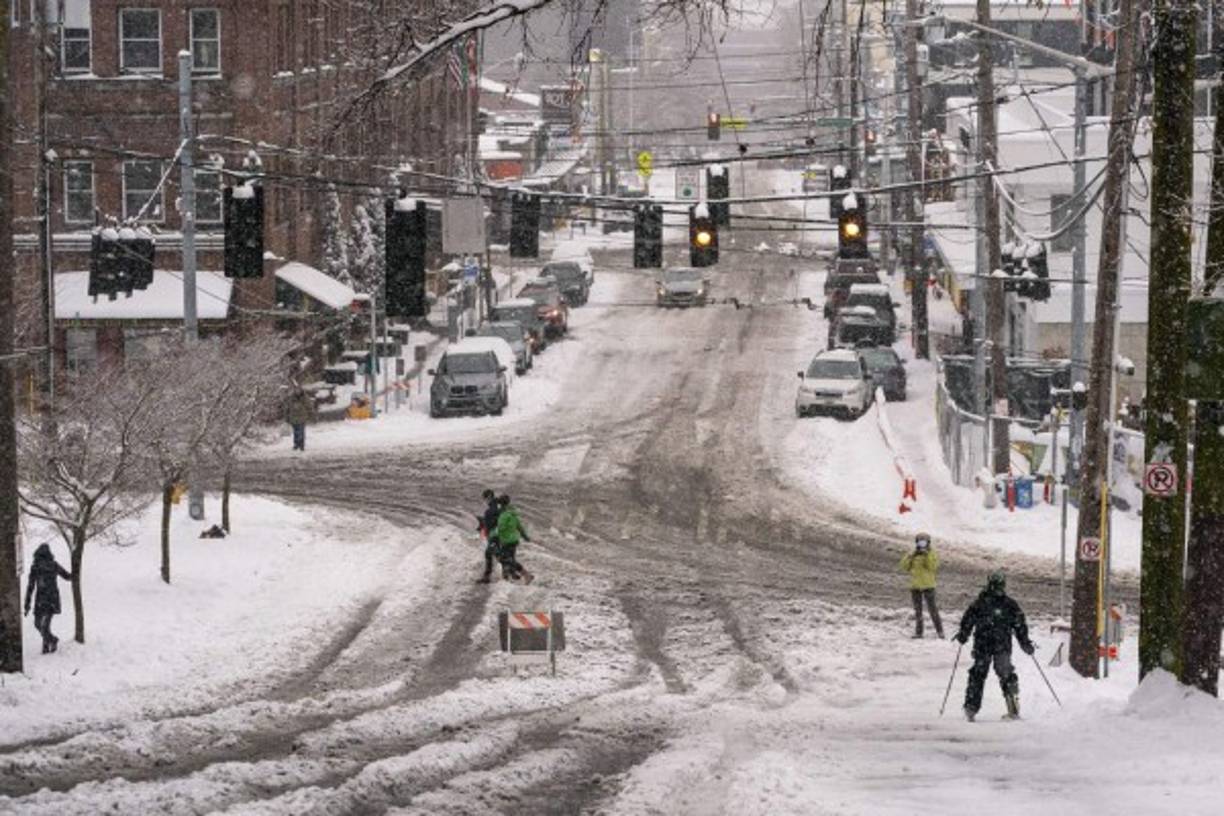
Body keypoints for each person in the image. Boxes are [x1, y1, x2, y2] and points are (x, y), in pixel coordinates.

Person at [952, 571, 1035, 721]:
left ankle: (971, 709)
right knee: (1006, 674)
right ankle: (1013, 708)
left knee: (978, 674)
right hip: (1001, 645)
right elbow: (1020, 625)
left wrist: (963, 635)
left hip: (983, 644)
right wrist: (1025, 643)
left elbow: (968, 620)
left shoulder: (979, 603)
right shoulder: (1010, 604)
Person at [24, 543, 73, 654]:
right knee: (41, 625)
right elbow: (30, 586)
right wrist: (27, 604)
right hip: (46, 599)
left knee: (42, 625)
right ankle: (51, 640)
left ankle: (48, 645)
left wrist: (27, 604)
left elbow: (66, 576)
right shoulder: (41, 566)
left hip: (47, 599)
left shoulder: (50, 565)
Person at [900, 532, 943, 639]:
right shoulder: (913, 553)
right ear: (917, 542)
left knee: (933, 610)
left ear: (928, 542)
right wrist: (911, 556)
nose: (922, 543)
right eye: (920, 541)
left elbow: (932, 567)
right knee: (918, 611)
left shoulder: (932, 553)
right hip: (915, 586)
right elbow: (904, 566)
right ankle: (919, 633)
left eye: (924, 541)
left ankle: (940, 632)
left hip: (929, 586)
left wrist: (926, 555)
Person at [495, 494, 533, 584]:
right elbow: (519, 527)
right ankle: (505, 578)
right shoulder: (513, 514)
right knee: (510, 559)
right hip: (514, 540)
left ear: (501, 505)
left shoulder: (504, 515)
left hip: (506, 541)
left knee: (505, 559)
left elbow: (500, 528)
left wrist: (495, 534)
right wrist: (525, 537)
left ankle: (526, 574)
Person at [476, 489, 502, 584]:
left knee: (497, 555)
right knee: (491, 553)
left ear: (489, 497)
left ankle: (518, 572)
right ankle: (487, 576)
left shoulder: (492, 509)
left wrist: (483, 523)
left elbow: (491, 523)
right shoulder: (498, 505)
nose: (485, 501)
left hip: (495, 535)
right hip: (500, 534)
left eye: (485, 499)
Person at [285, 386, 314, 451]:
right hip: (293, 417)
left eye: (298, 390)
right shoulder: (291, 398)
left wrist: (311, 413)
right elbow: (287, 408)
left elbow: (309, 406)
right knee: (296, 432)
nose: (297, 391)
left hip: (302, 417)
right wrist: (287, 417)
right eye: (296, 390)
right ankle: (296, 443)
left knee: (301, 431)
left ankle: (301, 444)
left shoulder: (304, 398)